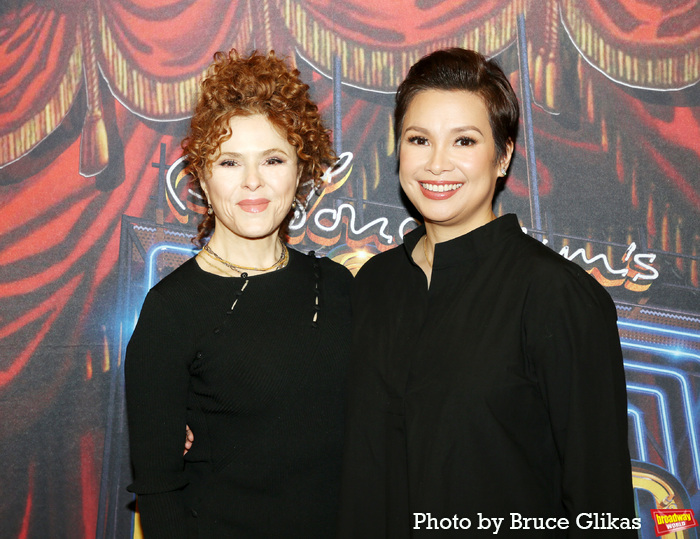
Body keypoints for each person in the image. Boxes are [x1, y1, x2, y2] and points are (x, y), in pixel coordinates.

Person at [338, 48, 637, 537]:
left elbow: (599, 501)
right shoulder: (373, 284)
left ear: (503, 157)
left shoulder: (556, 296)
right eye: (419, 139)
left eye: (464, 141)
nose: (437, 164)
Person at [124, 49, 352, 538]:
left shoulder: (338, 288)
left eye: (273, 158)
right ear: (204, 177)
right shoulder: (170, 310)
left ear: (301, 170)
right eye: (230, 162)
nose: (253, 182)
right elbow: (158, 493)